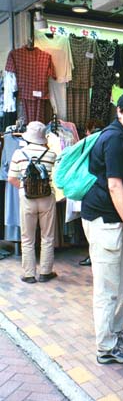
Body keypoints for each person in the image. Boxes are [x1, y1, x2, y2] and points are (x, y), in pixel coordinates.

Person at [81, 91, 123, 364]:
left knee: (120, 281)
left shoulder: (120, 137)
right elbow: (114, 184)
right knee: (108, 287)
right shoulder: (116, 140)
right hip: (105, 221)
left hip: (112, 221)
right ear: (119, 112)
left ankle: (115, 332)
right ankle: (106, 347)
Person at [8, 121, 57, 283]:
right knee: (47, 237)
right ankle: (45, 272)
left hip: (27, 199)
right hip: (46, 198)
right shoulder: (51, 155)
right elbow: (55, 178)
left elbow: (12, 178)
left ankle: (29, 274)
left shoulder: (18, 154)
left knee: (27, 238)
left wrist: (24, 188)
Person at [78, 119, 105, 267]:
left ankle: (92, 256)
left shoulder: (87, 145)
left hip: (88, 191)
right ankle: (93, 257)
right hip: (99, 192)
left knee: (92, 230)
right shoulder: (106, 144)